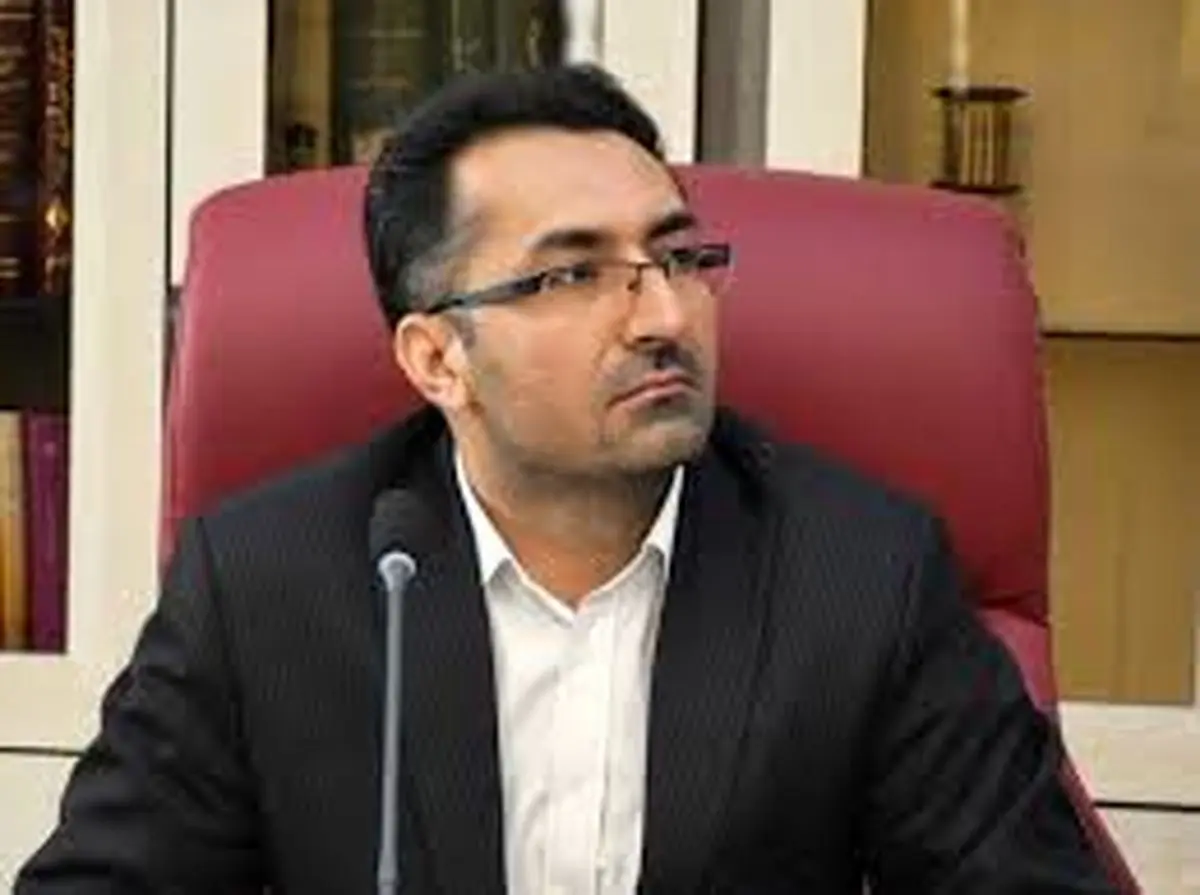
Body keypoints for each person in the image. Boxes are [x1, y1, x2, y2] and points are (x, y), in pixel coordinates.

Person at [17, 65, 1117, 894]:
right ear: (437, 358)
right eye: (577, 273)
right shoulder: (269, 584)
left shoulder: (863, 573)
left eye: (679, 258)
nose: (663, 315)